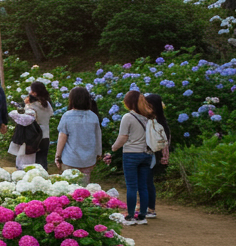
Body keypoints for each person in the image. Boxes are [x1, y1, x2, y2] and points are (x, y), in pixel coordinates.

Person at [110, 90, 158, 225]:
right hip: (147, 154)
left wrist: (114, 148)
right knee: (143, 186)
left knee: (132, 186)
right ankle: (142, 216)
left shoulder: (128, 117)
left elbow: (123, 137)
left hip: (131, 154)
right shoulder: (149, 117)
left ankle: (130, 216)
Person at [54, 86, 102, 184]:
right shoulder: (93, 116)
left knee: (68, 188)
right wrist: (98, 154)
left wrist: (58, 156)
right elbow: (98, 137)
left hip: (70, 159)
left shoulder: (67, 116)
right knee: (83, 189)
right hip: (88, 160)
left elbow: (62, 137)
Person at [143, 93, 171, 219]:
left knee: (147, 182)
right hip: (148, 155)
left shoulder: (157, 123)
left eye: (148, 105)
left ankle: (150, 208)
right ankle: (147, 207)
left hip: (152, 155)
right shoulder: (155, 121)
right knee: (145, 181)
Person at [27, 81, 54, 167]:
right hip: (46, 135)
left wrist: (26, 105)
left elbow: (26, 119)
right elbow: (51, 114)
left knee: (33, 161)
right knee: (43, 159)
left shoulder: (31, 106)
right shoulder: (47, 104)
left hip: (34, 136)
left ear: (34, 93)